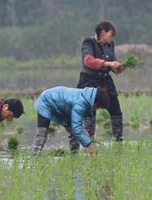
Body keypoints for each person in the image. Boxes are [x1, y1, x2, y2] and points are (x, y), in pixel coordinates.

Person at [74, 21, 126, 149]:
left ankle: (118, 141)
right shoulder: (88, 43)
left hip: (105, 81)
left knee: (116, 111)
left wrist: (119, 67)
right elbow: (88, 61)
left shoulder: (110, 45)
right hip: (89, 81)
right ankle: (89, 143)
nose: (110, 38)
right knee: (89, 114)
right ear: (102, 32)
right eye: (109, 35)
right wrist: (109, 64)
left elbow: (114, 66)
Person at [32, 86, 110, 155]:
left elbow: (77, 123)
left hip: (62, 108)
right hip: (46, 101)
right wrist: (89, 146)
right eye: (98, 107)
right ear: (96, 103)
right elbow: (77, 128)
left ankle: (74, 155)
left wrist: (83, 131)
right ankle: (35, 156)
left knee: (75, 134)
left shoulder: (87, 98)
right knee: (42, 133)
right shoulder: (81, 104)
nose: (96, 109)